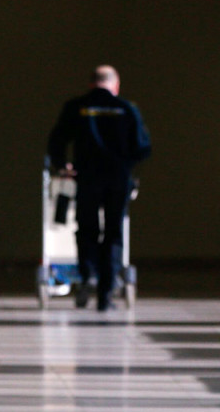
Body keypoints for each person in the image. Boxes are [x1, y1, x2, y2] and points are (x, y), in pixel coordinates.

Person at [47, 65, 151, 311]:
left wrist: (63, 166)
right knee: (114, 232)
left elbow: (57, 140)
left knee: (87, 228)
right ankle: (106, 293)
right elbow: (143, 147)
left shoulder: (76, 107)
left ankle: (89, 274)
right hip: (117, 178)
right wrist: (125, 164)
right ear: (115, 85)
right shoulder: (126, 108)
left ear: (91, 83)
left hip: (87, 177)